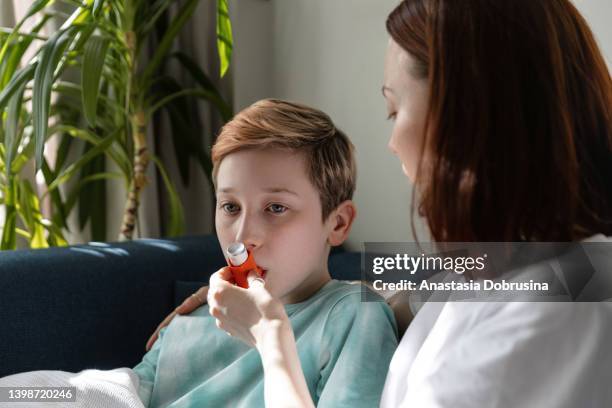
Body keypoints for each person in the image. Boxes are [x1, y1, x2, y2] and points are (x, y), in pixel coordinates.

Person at [148, 0, 612, 406]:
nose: (391, 142)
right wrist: (300, 300)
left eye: (395, 108)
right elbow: (409, 292)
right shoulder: (517, 267)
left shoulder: (550, 321)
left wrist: (272, 337)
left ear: (464, 114)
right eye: (230, 206)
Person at [134, 99, 398, 407]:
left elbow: (462, 282)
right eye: (230, 207)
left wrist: (269, 331)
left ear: (337, 223)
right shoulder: (188, 321)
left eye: (276, 208)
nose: (243, 236)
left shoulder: (352, 317)